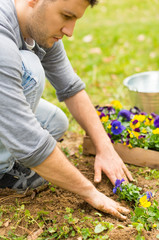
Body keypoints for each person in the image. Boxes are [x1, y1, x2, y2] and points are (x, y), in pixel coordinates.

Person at [0, 0, 133, 220]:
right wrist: (90, 191)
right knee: (31, 69)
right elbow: (28, 140)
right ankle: (2, 171)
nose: (70, 31)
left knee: (55, 123)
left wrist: (105, 148)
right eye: (66, 16)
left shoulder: (37, 29)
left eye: (75, 20)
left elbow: (70, 87)